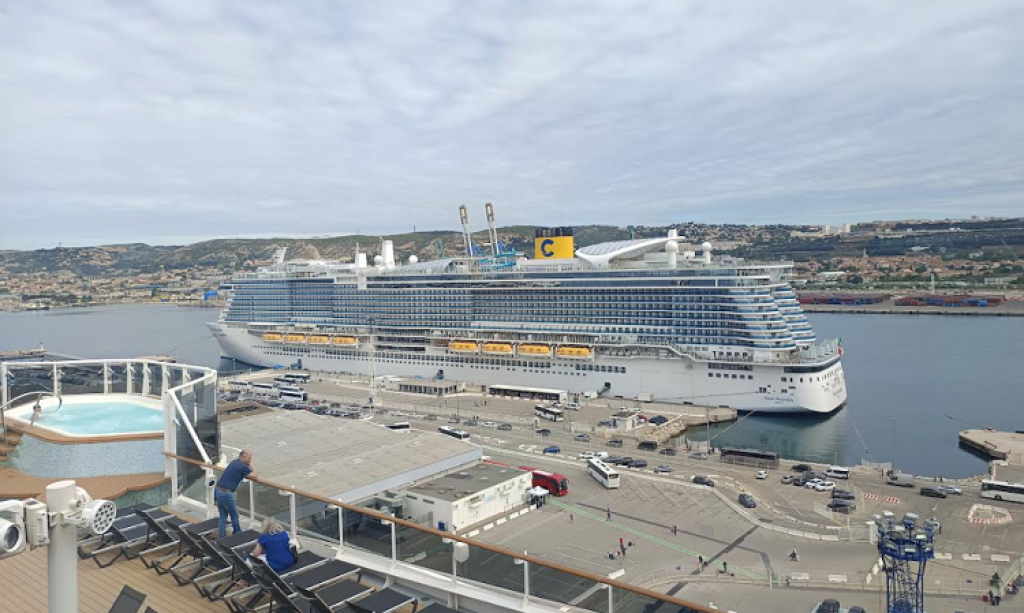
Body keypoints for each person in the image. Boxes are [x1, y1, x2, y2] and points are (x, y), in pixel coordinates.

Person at [215, 449, 258, 538]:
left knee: (223, 516)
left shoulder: (234, 462)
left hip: (218, 491)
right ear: (243, 457)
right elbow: (255, 477)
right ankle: (238, 535)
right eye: (249, 458)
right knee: (234, 515)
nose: (250, 460)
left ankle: (222, 537)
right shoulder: (242, 467)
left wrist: (248, 464)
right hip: (226, 493)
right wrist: (251, 465)